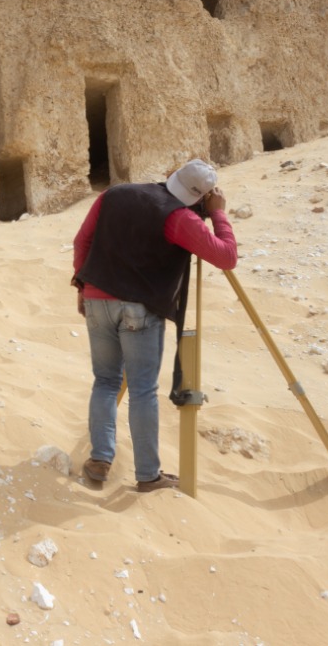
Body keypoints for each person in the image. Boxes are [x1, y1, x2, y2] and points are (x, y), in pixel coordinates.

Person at [71, 159, 237, 492]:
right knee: (143, 390)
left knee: (105, 381)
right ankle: (148, 475)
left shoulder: (114, 194)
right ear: (202, 198)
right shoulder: (181, 218)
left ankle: (100, 458)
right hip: (140, 309)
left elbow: (81, 241)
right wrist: (218, 214)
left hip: (97, 298)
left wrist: (81, 285)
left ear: (170, 176)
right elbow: (226, 257)